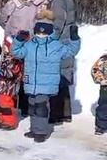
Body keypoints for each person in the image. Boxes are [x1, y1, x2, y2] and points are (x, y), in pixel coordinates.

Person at [11, 13, 80, 143]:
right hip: (31, 83)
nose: (41, 36)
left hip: (47, 84)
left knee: (41, 106)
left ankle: (41, 132)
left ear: (50, 32)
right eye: (38, 33)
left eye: (44, 33)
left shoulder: (56, 46)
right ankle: (34, 128)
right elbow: (16, 52)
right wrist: (18, 40)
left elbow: (71, 51)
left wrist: (74, 38)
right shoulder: (29, 45)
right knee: (32, 106)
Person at [0, 0, 45, 117]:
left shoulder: (40, 4)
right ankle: (8, 105)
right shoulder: (12, 3)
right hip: (12, 44)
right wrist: (11, 33)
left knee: (27, 75)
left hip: (30, 45)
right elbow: (2, 20)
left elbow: (44, 23)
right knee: (10, 75)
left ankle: (26, 107)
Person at [42, 0, 77, 125]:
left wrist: (50, 40)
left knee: (55, 79)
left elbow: (58, 23)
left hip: (60, 43)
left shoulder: (57, 1)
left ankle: (55, 115)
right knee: (63, 78)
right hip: (67, 42)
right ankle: (65, 113)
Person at [0, 36, 24, 131]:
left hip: (9, 87)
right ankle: (2, 120)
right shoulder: (5, 57)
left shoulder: (15, 59)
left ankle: (10, 121)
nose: (3, 48)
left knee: (6, 104)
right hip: (2, 86)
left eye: (5, 46)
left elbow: (11, 73)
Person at [91, 52, 107, 135]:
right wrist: (101, 80)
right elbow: (95, 70)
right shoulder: (104, 59)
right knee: (104, 106)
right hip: (105, 87)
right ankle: (101, 126)